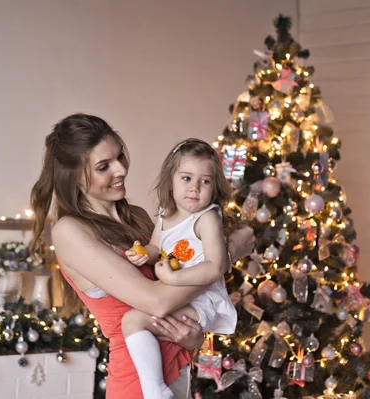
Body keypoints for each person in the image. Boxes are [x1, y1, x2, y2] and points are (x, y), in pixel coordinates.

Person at [30, 114, 254, 399]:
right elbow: (156, 301)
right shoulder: (69, 230)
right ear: (74, 176)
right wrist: (227, 251)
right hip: (137, 382)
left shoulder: (139, 217)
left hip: (177, 369)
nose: (121, 170)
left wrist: (194, 336)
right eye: (104, 166)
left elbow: (179, 290)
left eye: (120, 156)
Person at [122, 138, 238, 399]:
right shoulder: (165, 214)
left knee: (133, 319)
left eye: (205, 181)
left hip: (204, 300)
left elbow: (216, 266)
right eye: (186, 178)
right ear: (170, 179)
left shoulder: (206, 218)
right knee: (136, 320)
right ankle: (158, 388)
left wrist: (173, 278)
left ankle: (155, 391)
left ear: (214, 187)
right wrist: (143, 254)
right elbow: (156, 248)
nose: (195, 187)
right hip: (177, 292)